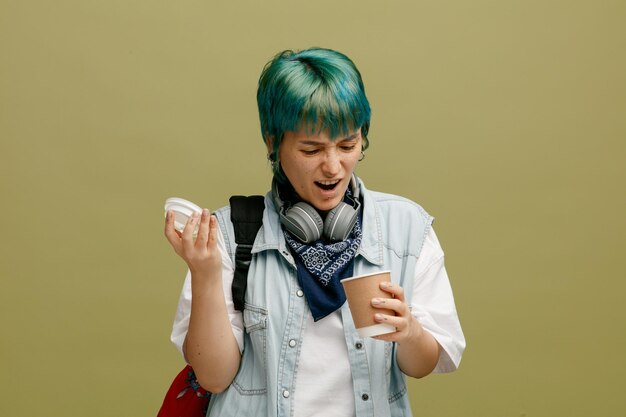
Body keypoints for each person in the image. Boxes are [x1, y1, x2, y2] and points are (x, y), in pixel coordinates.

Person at [164, 47, 465, 417]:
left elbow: (421, 366)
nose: (333, 166)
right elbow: (213, 377)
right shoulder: (229, 234)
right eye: (312, 149)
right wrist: (205, 274)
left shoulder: (406, 229)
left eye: (348, 145)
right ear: (274, 143)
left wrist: (410, 332)